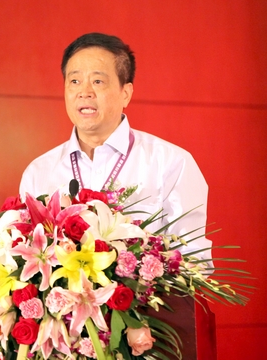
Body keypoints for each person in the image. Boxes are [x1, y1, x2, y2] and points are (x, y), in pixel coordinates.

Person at [19, 32, 212, 263]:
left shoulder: (171, 164)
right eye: (74, 81)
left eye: (98, 81)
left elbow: (193, 262)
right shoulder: (39, 172)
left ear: (125, 93)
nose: (84, 92)